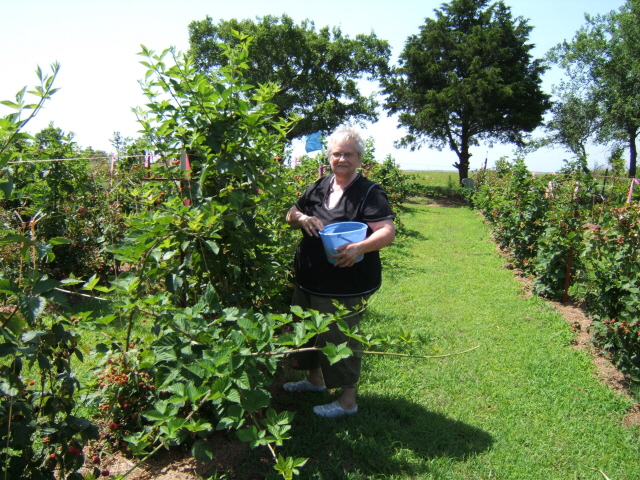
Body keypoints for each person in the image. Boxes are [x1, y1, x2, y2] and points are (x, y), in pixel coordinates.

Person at [283, 125, 396, 418]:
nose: (341, 159)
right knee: (309, 332)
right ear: (329, 157)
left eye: (348, 154)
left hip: (345, 283)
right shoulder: (320, 186)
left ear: (359, 158)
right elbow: (290, 215)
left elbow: (386, 231)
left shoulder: (368, 192)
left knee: (340, 337)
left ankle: (347, 402)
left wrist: (360, 247)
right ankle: (315, 381)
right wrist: (303, 218)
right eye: (336, 154)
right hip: (309, 279)